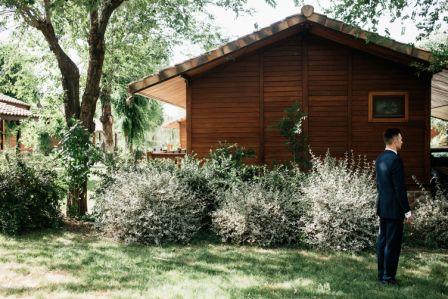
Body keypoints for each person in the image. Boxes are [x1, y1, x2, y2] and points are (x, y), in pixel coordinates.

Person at [375, 128, 413, 286]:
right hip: (394, 209)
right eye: (401, 139)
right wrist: (407, 211)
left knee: (383, 241)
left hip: (383, 207)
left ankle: (381, 275)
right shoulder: (395, 159)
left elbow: (380, 185)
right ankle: (388, 278)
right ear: (395, 140)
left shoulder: (380, 158)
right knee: (392, 244)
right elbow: (399, 188)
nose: (402, 141)